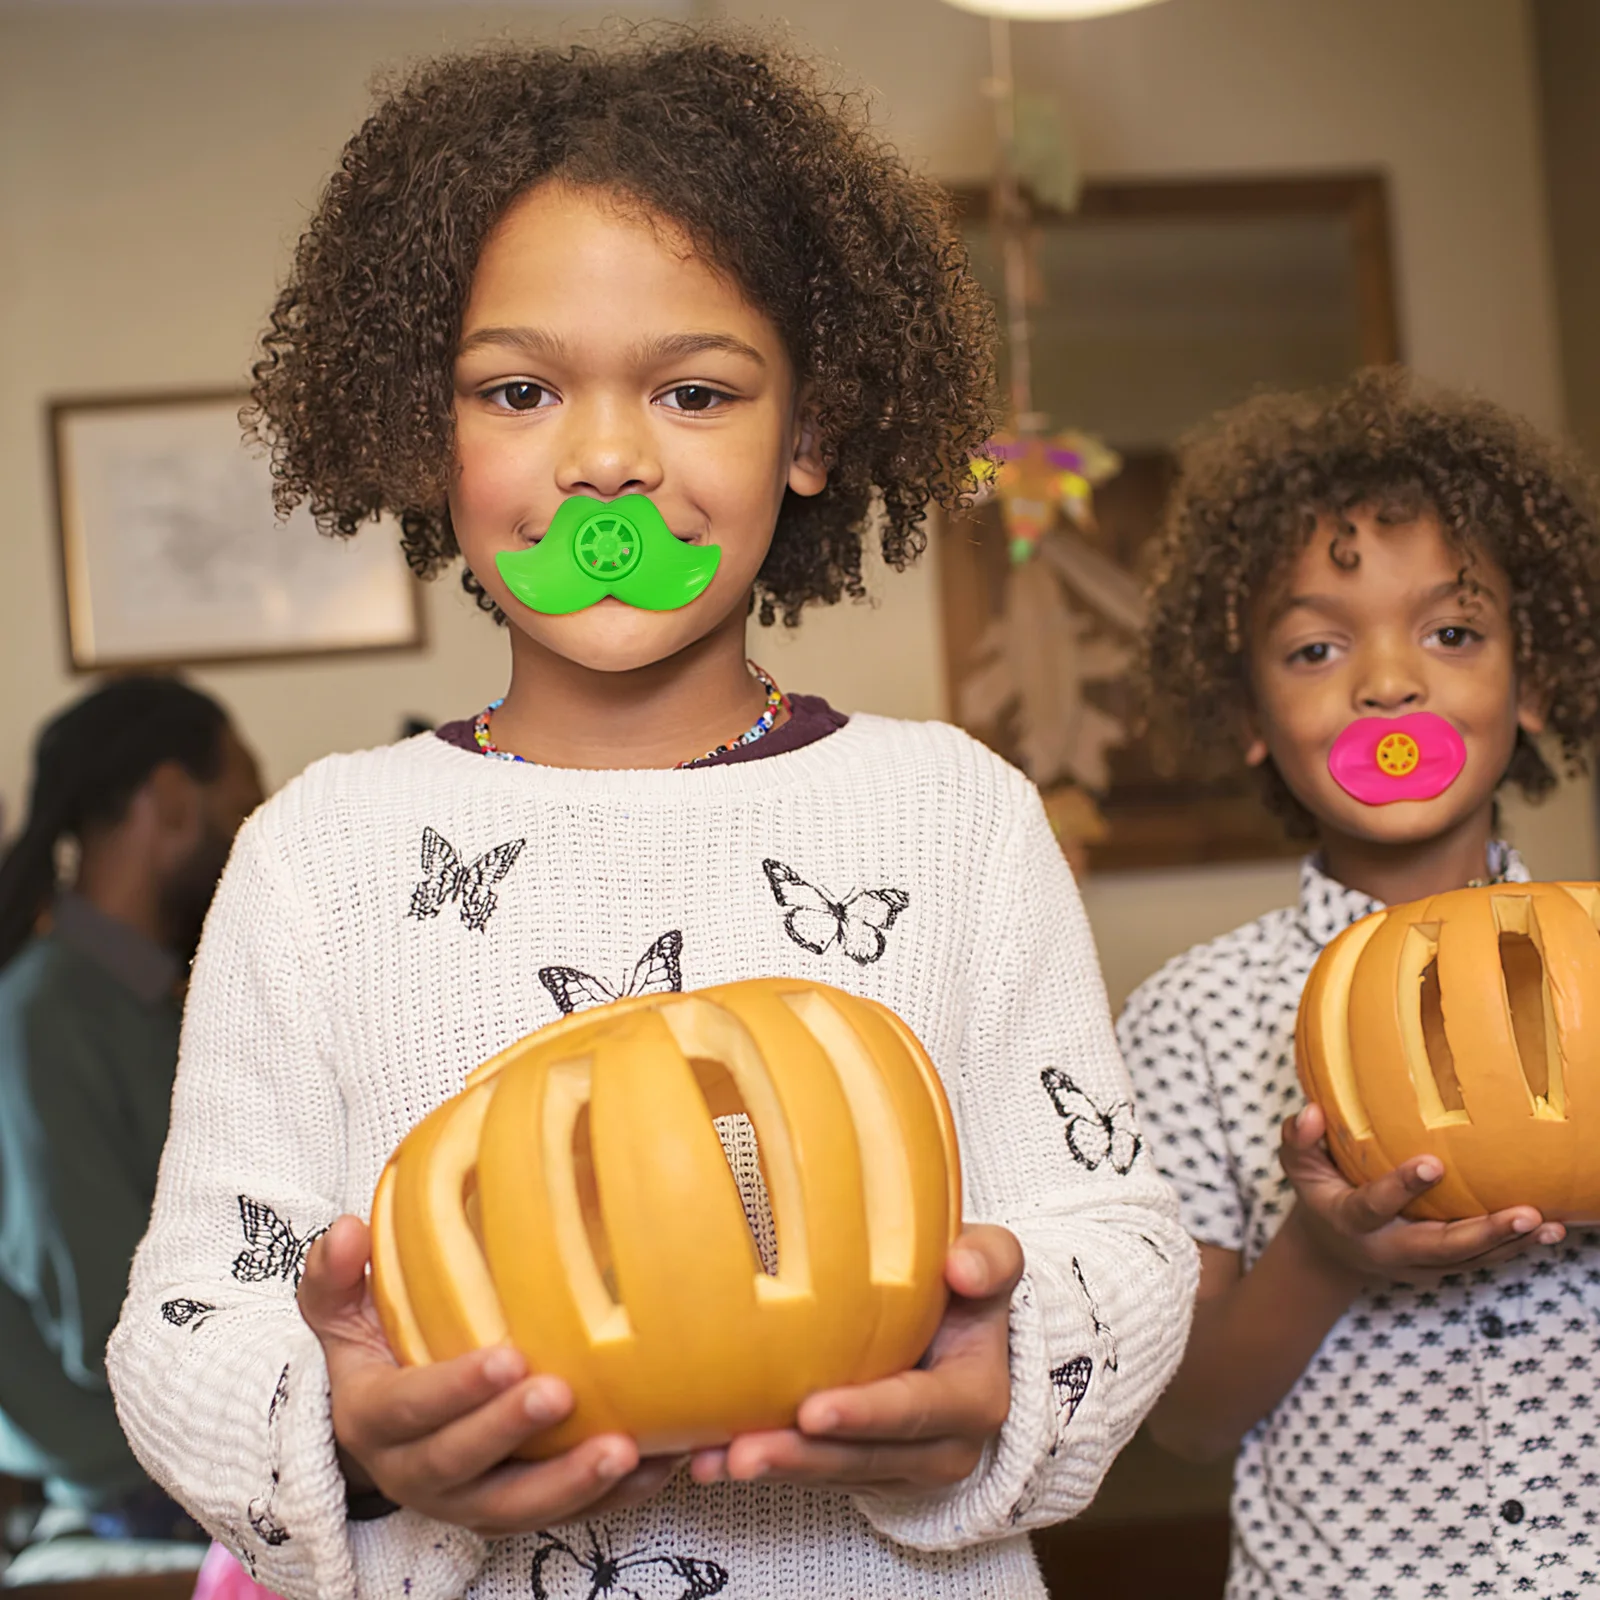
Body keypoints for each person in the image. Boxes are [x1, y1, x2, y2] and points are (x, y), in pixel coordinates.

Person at [105, 32, 1197, 1600]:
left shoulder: (957, 817)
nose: (609, 459)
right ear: (433, 434)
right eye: (520, 388)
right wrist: (351, 1434)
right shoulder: (316, 858)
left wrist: (995, 1380)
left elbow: (1115, 1231)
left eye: (694, 390)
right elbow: (191, 1319)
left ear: (809, 432)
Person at [1118, 367, 1600, 1598]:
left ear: (1530, 680)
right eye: (1318, 644)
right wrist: (1327, 1260)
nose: (1388, 683)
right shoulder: (1192, 1019)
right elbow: (1188, 1419)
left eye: (1450, 631)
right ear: (1246, 711)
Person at [0, 677, 262, 1540]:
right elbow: (99, 1326)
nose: (256, 831)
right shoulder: (46, 1013)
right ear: (176, 801)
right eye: (245, 796)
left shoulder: (150, 1000)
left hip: (193, 1435)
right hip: (133, 1466)